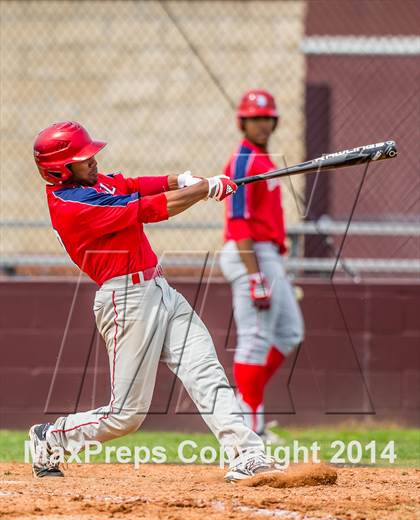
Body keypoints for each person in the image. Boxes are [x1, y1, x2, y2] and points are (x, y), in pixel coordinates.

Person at [29, 120, 283, 482]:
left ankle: (247, 454)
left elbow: (132, 184)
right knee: (126, 415)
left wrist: (181, 180)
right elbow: (149, 209)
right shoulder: (73, 204)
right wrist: (205, 190)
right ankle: (51, 438)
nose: (93, 161)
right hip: (125, 300)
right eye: (84, 159)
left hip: (160, 289)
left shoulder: (90, 181)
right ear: (60, 169)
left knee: (205, 371)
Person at [220, 90, 304, 441]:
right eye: (255, 118)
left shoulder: (263, 159)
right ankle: (249, 428)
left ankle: (244, 405)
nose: (263, 124)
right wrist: (255, 274)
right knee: (254, 341)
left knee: (289, 333)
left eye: (267, 117)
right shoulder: (242, 161)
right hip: (249, 253)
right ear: (243, 122)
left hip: (268, 255)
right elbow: (238, 220)